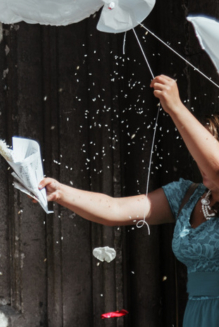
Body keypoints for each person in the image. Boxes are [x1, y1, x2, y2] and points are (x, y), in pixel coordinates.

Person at [38, 75, 219, 327]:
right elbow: (115, 209)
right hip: (197, 315)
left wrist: (175, 107)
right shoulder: (187, 195)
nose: (199, 159)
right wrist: (60, 193)